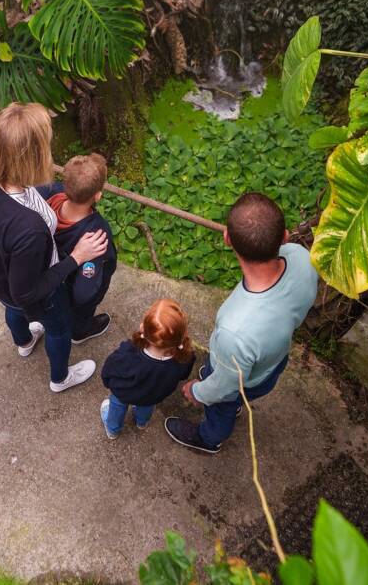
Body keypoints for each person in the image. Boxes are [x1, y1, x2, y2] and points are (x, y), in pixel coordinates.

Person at [0, 102, 108, 393]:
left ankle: (24, 342)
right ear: (34, 157)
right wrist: (76, 258)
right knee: (59, 327)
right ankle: (61, 377)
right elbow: (25, 292)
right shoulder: (29, 230)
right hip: (32, 288)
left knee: (11, 306)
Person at [164, 193, 318, 453]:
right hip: (274, 361)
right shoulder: (301, 257)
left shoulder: (234, 331)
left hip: (244, 380)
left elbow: (225, 386)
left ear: (227, 239)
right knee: (230, 387)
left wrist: (198, 392)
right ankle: (234, 404)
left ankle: (209, 439)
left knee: (221, 406)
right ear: (285, 236)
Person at [38, 153, 117, 344]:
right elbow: (84, 292)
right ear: (97, 195)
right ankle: (80, 331)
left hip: (51, 273)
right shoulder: (95, 237)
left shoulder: (50, 193)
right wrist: (86, 301)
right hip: (71, 285)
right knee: (81, 311)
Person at [99, 299, 195, 439]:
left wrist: (108, 382)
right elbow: (184, 375)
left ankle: (113, 430)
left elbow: (110, 368)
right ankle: (141, 422)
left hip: (124, 392)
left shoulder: (129, 353)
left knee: (117, 406)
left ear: (143, 329)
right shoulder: (185, 357)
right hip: (154, 395)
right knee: (147, 406)